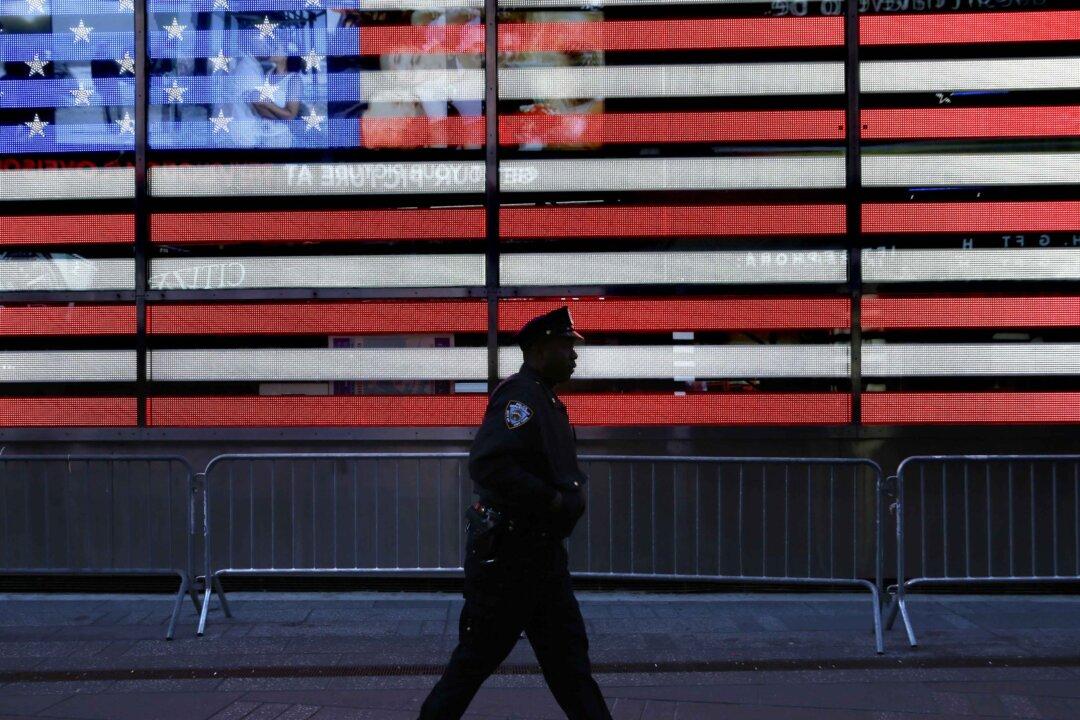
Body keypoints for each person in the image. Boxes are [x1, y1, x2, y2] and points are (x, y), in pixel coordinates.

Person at [418, 306, 613, 720]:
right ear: (541, 350)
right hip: (511, 561)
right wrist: (552, 501)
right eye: (566, 346)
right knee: (473, 663)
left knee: (570, 667)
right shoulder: (520, 398)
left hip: (540, 559)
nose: (575, 355)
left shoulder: (544, 398)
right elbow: (490, 464)